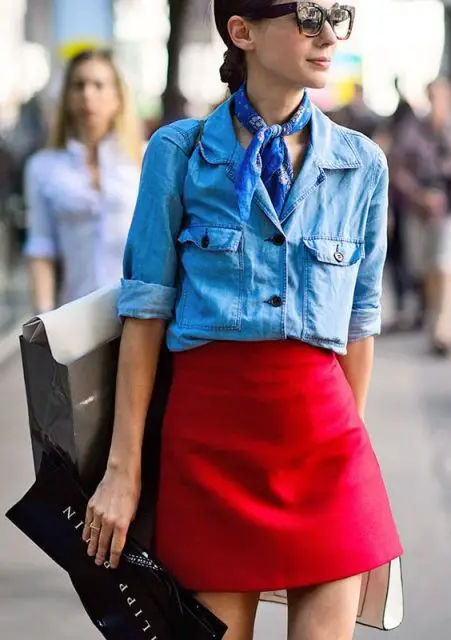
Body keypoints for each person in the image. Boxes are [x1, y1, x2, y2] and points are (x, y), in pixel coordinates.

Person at [84, 3, 402, 639]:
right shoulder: (178, 152)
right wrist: (123, 471)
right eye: (308, 15)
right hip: (211, 446)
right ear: (243, 31)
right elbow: (144, 313)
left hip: (325, 443)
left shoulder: (361, 165)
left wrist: (348, 454)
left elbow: (359, 326)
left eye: (338, 14)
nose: (328, 34)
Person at [24, 49, 143, 312]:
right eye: (78, 85)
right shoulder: (42, 167)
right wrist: (43, 319)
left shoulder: (144, 160)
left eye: (98, 85)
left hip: (138, 314)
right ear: (66, 97)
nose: (88, 95)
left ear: (118, 98)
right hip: (76, 315)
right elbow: (41, 248)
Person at [390, 77, 451, 354]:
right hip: (418, 207)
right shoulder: (412, 128)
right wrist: (419, 196)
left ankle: (443, 326)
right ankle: (434, 319)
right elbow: (398, 167)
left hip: (445, 208)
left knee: (443, 265)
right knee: (426, 268)